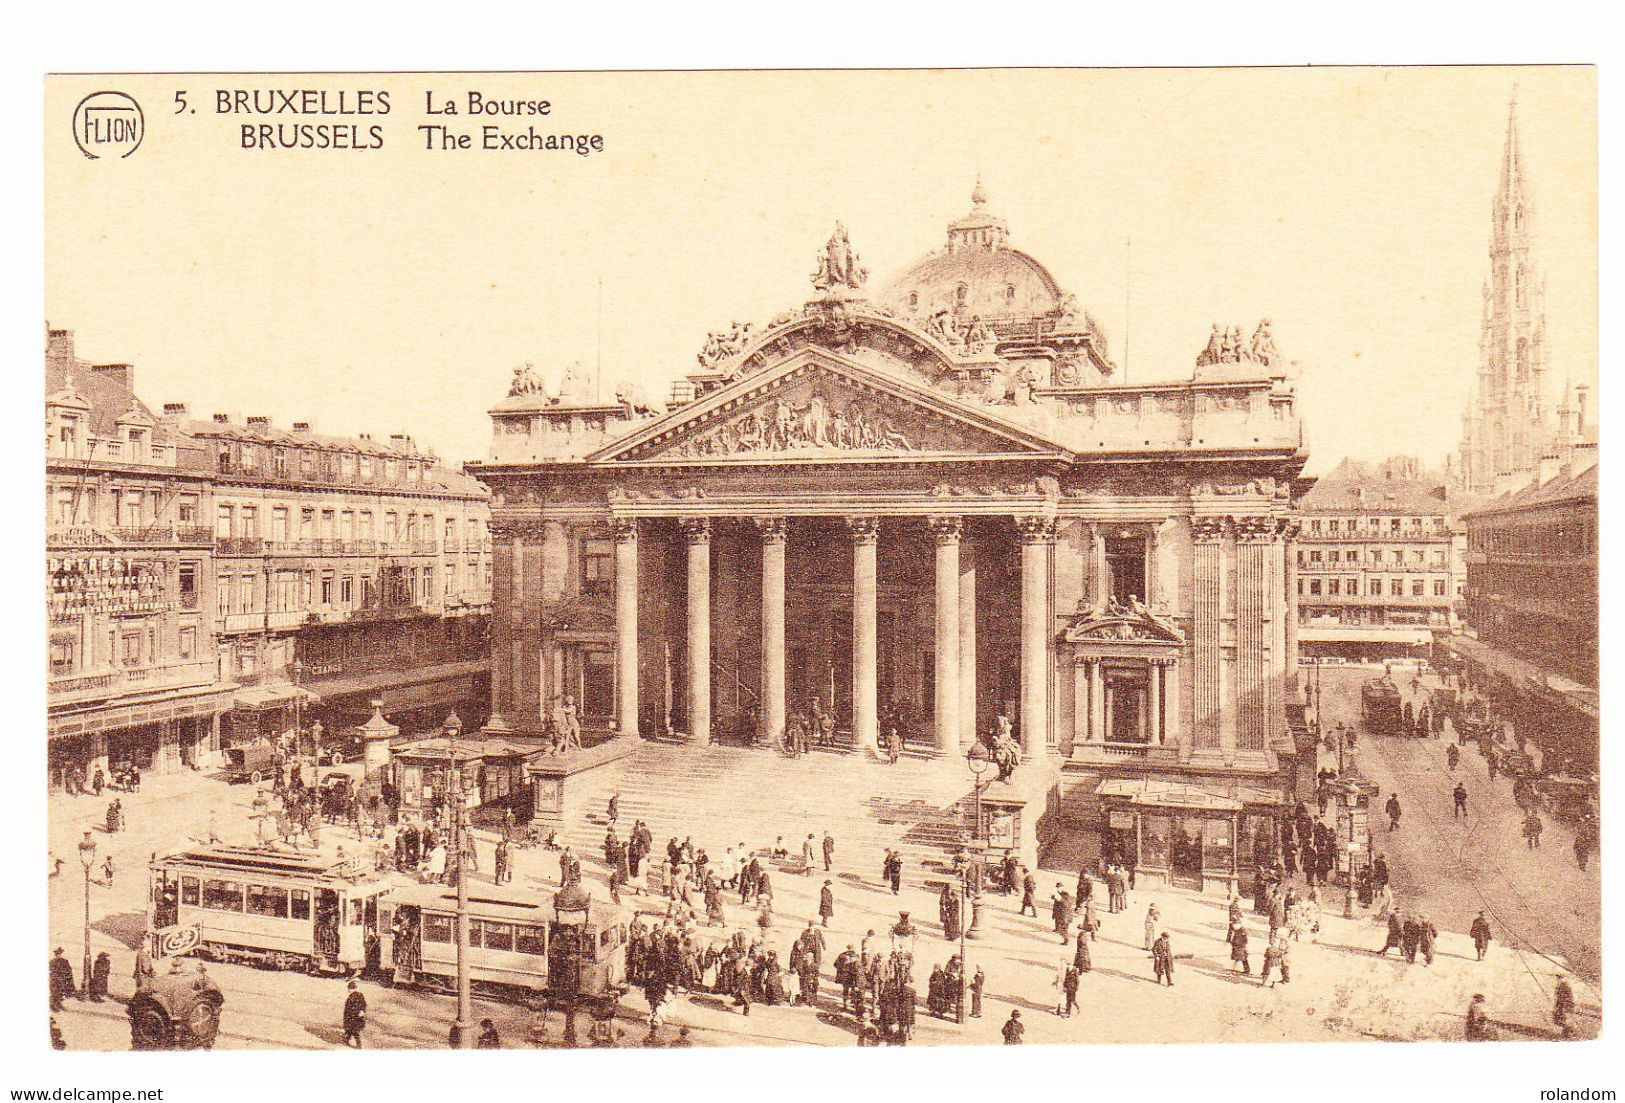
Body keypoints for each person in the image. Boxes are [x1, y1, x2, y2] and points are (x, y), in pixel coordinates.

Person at [342, 979, 367, 1048]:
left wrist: (362, 1011)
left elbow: (363, 1004)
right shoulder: (356, 995)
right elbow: (363, 1004)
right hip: (353, 1016)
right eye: (349, 988)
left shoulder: (356, 996)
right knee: (349, 1030)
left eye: (351, 988)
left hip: (355, 1016)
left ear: (354, 988)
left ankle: (359, 1045)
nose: (349, 990)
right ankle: (346, 1040)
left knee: (354, 1031)